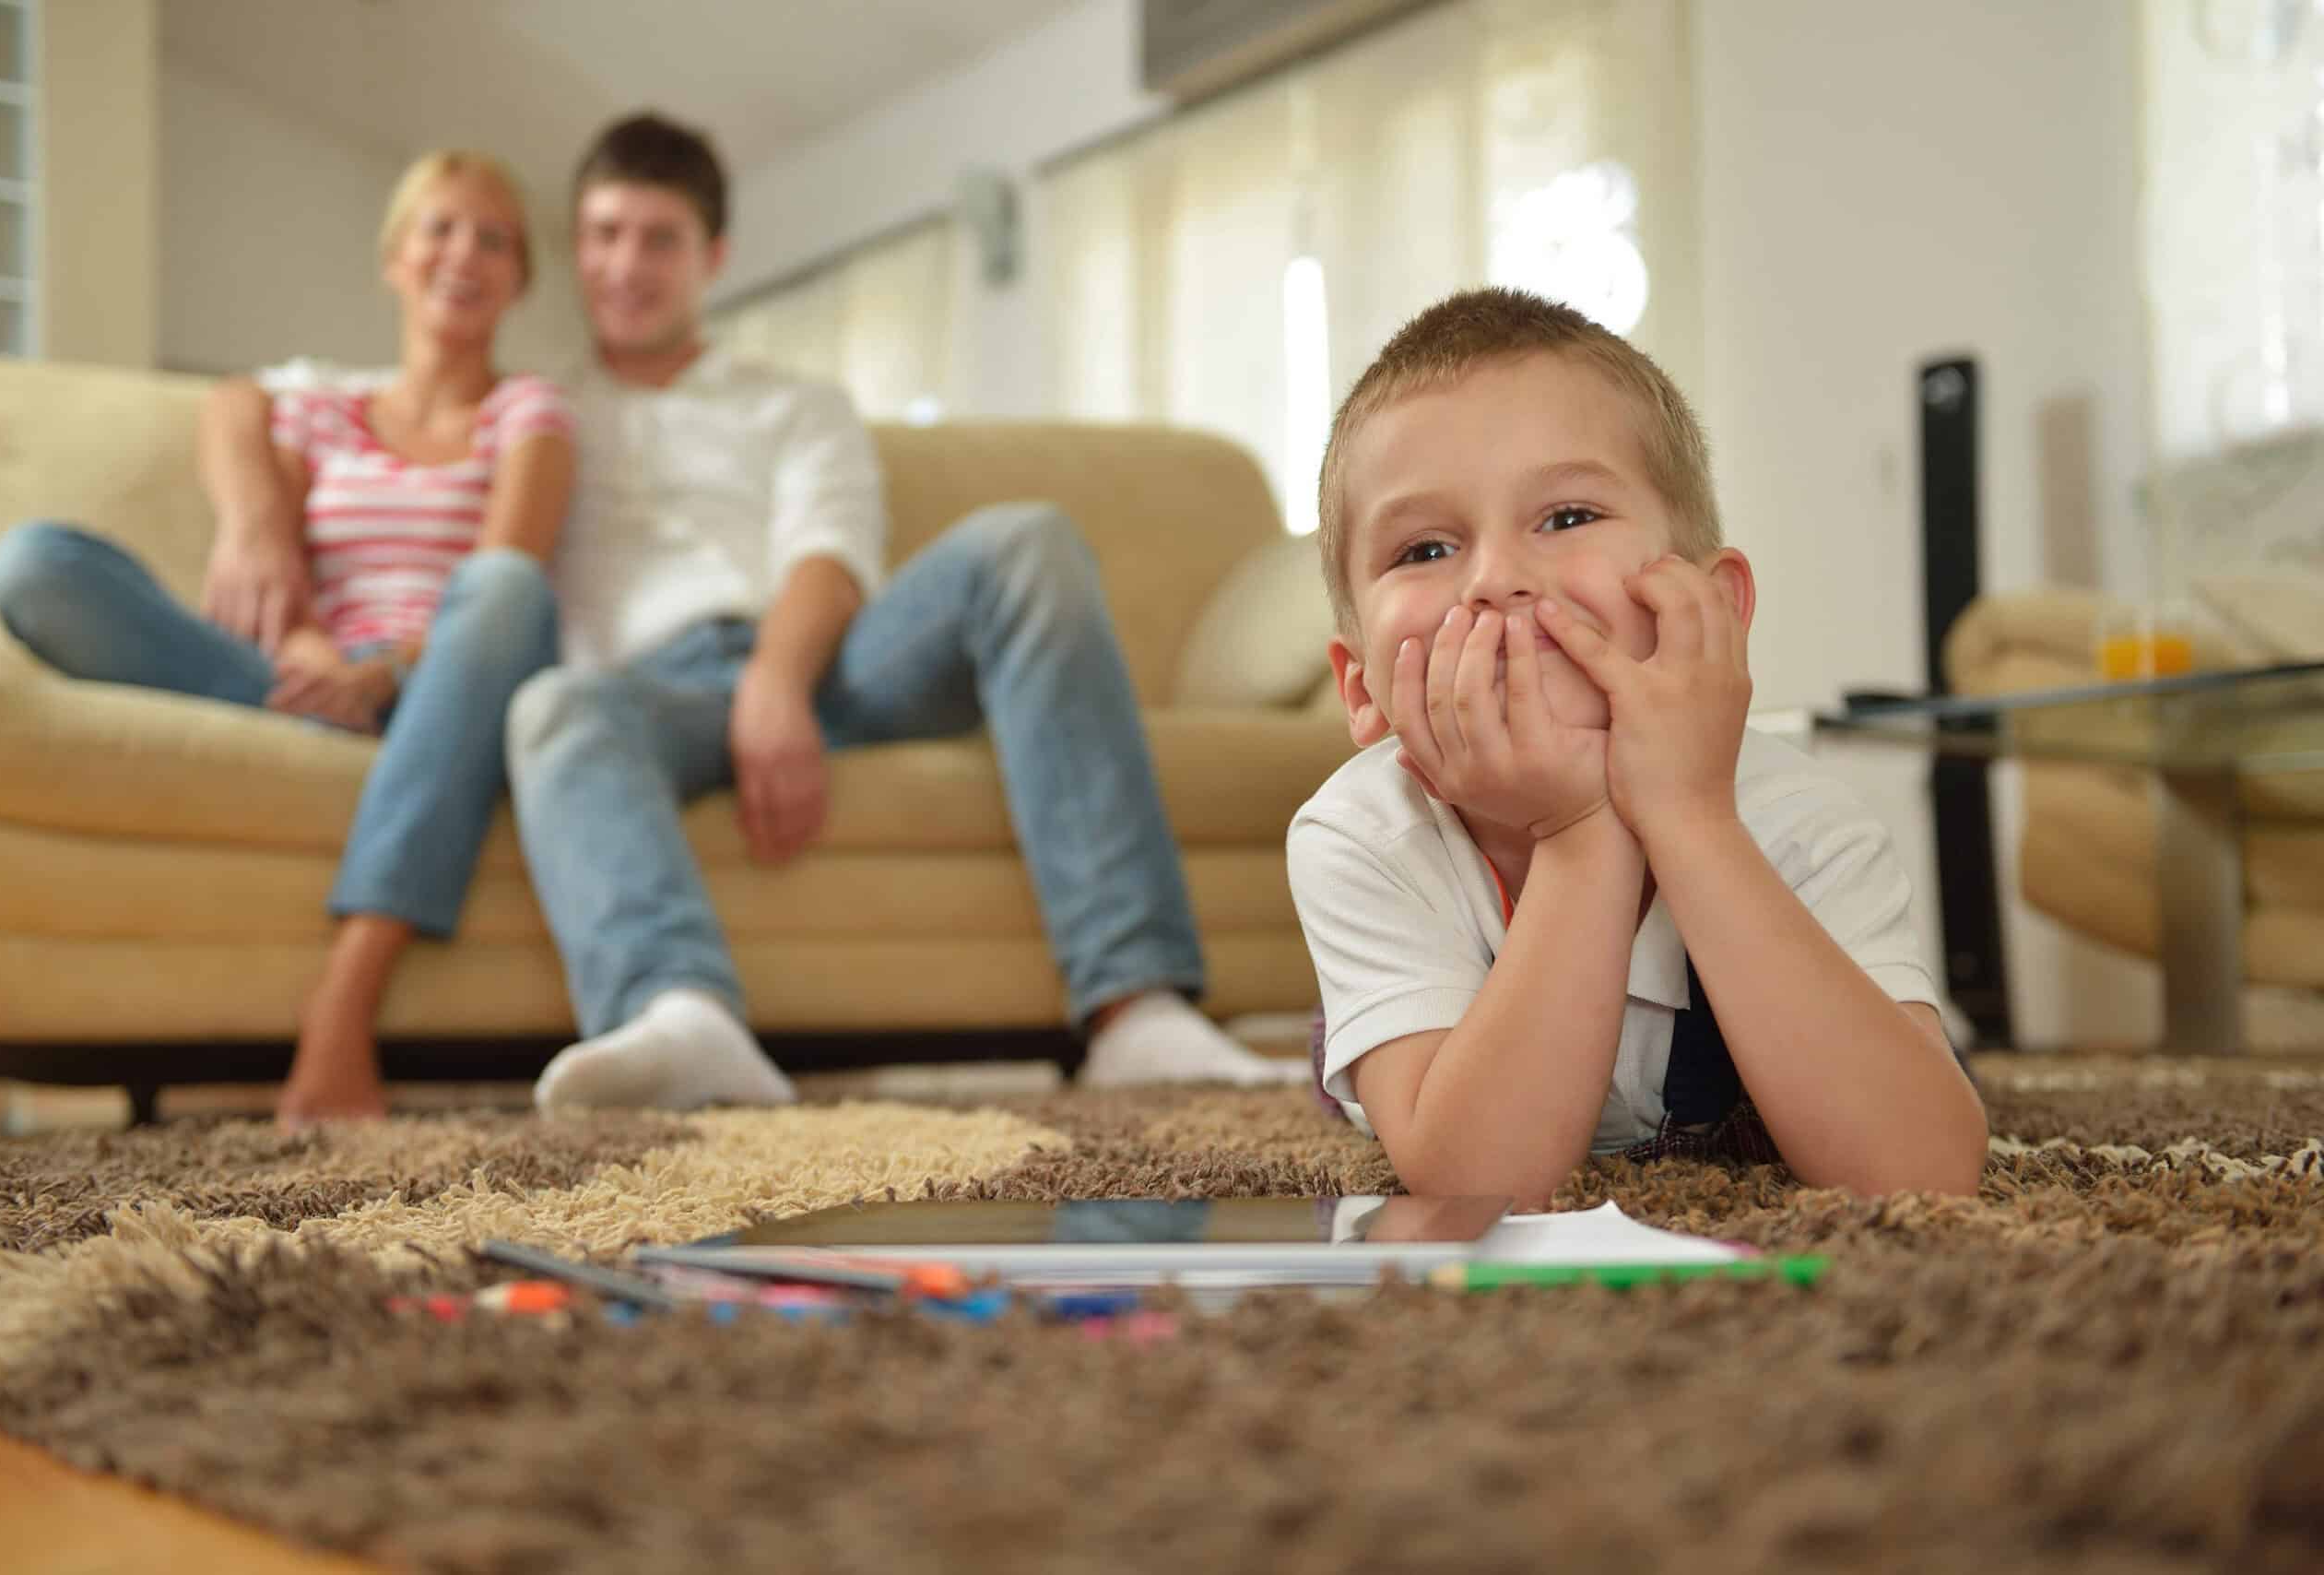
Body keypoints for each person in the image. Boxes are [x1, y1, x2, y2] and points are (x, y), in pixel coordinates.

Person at [198, 112, 1294, 1111]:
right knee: (550, 712)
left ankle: (1137, 1011)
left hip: (827, 669)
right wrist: (253, 522)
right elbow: (269, 395)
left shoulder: (792, 402)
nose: (626, 265)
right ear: (574, 251)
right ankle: (684, 1022)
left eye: (659, 239)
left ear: (711, 258)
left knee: (1027, 540)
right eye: (604, 235)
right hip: (638, 700)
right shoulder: (528, 409)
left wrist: (776, 681)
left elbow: (832, 550)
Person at [1288, 286, 1987, 1203]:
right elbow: (1477, 1182)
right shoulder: (1362, 836)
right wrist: (1579, 830)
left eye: (1566, 517)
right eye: (1424, 549)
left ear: (1714, 606)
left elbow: (1920, 1173)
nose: (1496, 578)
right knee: (1391, 1053)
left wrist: (1689, 816)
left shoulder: (1799, 820)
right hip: (1428, 1028)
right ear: (1361, 687)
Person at [0, 151, 575, 1128]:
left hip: (443, 697)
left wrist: (384, 674)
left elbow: (507, 576)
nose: (462, 252)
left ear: (518, 279)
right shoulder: (324, 410)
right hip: (302, 696)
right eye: (439, 227)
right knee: (35, 564)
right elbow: (251, 457)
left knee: (506, 589)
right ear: (394, 257)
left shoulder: (530, 414)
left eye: (494, 236)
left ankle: (341, 1004)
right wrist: (302, 640)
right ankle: (340, 723)